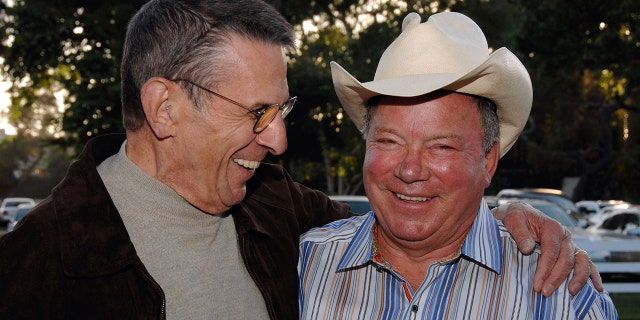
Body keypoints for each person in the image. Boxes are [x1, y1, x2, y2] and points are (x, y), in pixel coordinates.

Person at [0, 1, 597, 319]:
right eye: (257, 111)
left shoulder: (280, 214)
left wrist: (517, 216)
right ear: (164, 108)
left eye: (280, 109)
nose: (280, 143)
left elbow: (410, 219)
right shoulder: (37, 267)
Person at [298, 11, 616, 319]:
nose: (409, 170)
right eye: (389, 141)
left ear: (488, 160)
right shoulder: (306, 266)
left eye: (441, 147)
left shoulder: (565, 298)